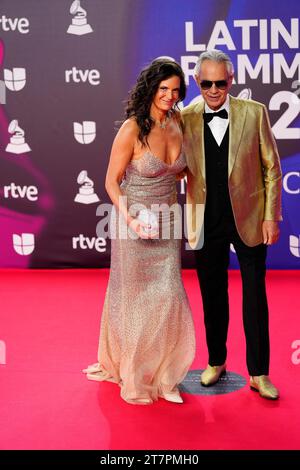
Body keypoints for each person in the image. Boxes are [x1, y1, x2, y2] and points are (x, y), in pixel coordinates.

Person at [83, 59, 195, 405]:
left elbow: (178, 172)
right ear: (151, 88)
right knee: (133, 301)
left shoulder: (178, 121)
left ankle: (165, 377)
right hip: (133, 223)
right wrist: (132, 220)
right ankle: (132, 374)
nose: (170, 96)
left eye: (176, 90)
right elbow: (110, 182)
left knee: (168, 296)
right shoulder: (132, 128)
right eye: (164, 89)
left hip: (168, 220)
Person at [181, 49, 282, 400]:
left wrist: (271, 215)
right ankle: (216, 360)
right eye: (206, 83)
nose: (213, 90)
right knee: (212, 295)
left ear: (231, 80)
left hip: (250, 218)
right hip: (204, 219)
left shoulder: (254, 113)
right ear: (196, 81)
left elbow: (272, 167)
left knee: (255, 296)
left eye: (220, 83)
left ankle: (259, 372)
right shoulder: (184, 117)